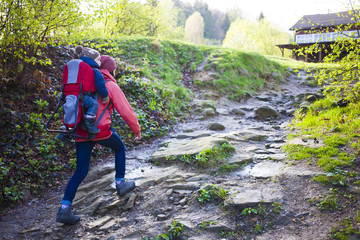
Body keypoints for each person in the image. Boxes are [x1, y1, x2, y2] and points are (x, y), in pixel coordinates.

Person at [56, 55, 142, 225]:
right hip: (99, 130)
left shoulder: (84, 82)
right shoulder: (109, 85)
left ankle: (64, 210)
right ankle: (120, 183)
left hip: (80, 130)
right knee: (119, 148)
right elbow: (126, 111)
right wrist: (136, 130)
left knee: (80, 171)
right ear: (111, 70)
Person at [75, 45, 109, 134]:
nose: (100, 62)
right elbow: (100, 83)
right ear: (91, 59)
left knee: (77, 112)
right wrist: (105, 96)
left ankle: (66, 131)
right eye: (98, 59)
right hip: (85, 95)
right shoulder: (94, 69)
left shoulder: (79, 68)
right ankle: (89, 125)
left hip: (73, 95)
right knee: (94, 105)